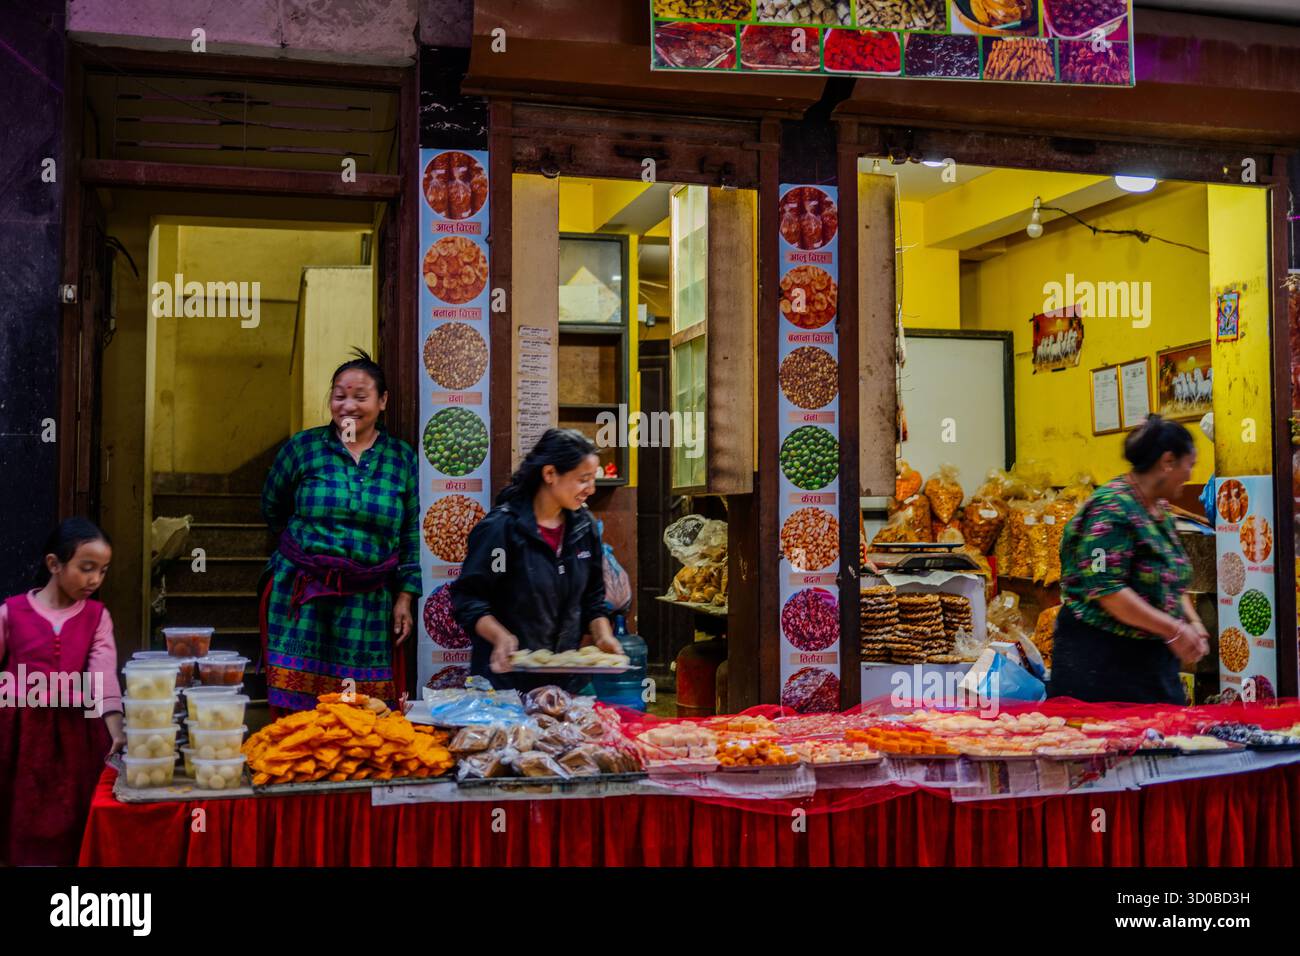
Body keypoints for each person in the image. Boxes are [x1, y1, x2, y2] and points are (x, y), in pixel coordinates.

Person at [260, 349, 420, 713]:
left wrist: (405, 596)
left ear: (382, 402)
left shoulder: (401, 458)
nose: (348, 405)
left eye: (360, 396)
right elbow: (273, 506)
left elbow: (410, 529)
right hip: (300, 595)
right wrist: (310, 553)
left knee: (362, 709)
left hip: (367, 600)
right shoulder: (303, 448)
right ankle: (295, 766)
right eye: (339, 395)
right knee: (297, 707)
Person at [1049, 414, 1210, 703]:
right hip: (1101, 662)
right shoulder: (1110, 509)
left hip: (1152, 660)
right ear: (1168, 461)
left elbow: (1171, 577)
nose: (1190, 475)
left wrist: (1193, 623)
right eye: (1190, 465)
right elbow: (1107, 590)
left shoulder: (1159, 511)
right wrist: (1174, 629)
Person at [451, 428, 622, 691]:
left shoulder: (583, 528)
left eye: (593, 479)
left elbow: (593, 598)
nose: (591, 489)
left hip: (564, 684)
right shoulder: (502, 529)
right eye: (583, 479)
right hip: (504, 683)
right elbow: (470, 599)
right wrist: (500, 637)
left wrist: (603, 636)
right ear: (550, 474)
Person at [0, 518, 124, 866]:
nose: (95, 580)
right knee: (22, 811)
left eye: (103, 570)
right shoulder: (11, 612)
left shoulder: (97, 617)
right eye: (87, 568)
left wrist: (114, 725)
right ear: (54, 564)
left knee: (72, 814)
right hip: (19, 737)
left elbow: (103, 673)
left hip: (76, 737)